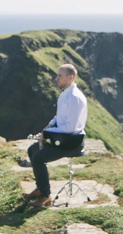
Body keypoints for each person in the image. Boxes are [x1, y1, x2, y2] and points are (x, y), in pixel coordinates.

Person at [23, 64, 88, 207]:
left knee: (38, 157)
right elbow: (59, 118)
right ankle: (40, 189)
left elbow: (70, 128)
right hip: (63, 138)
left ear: (70, 78)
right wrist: (47, 128)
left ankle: (45, 196)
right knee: (33, 150)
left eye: (60, 76)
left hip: (72, 142)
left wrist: (47, 134)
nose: (56, 78)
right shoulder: (65, 93)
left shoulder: (75, 98)